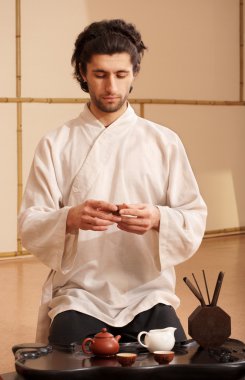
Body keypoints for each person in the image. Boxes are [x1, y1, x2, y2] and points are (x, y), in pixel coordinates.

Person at [18, 19, 207, 346]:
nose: (111, 87)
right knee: (66, 360)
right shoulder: (56, 143)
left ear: (135, 72)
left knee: (174, 359)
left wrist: (159, 218)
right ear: (82, 72)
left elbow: (193, 215)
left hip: (148, 292)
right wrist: (70, 217)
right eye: (100, 74)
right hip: (79, 294)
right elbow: (30, 222)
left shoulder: (164, 141)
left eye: (121, 75)